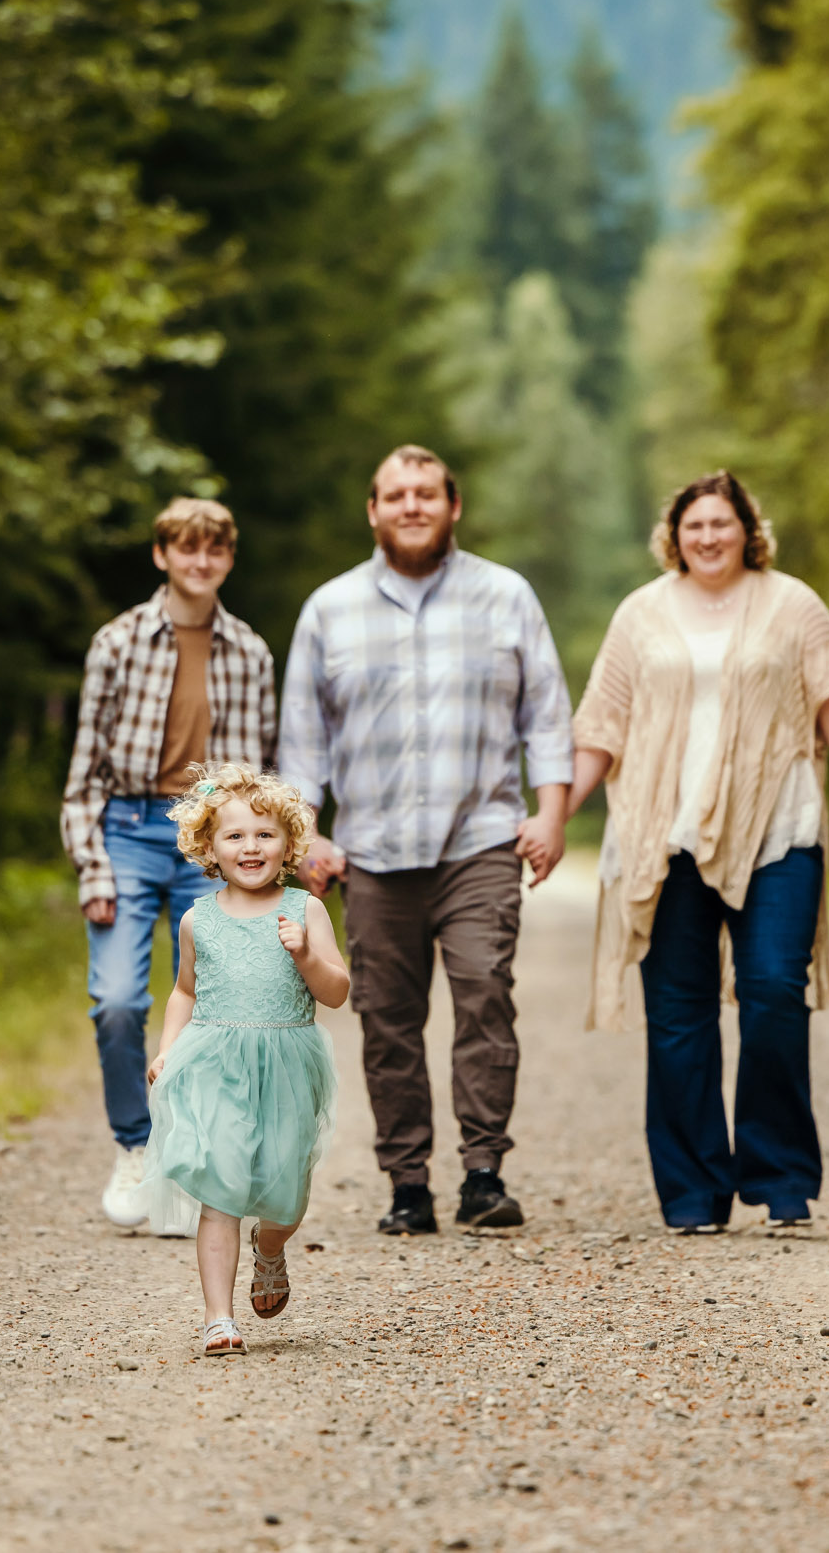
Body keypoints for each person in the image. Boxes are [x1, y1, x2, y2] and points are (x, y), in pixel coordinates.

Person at [566, 470, 829, 1233]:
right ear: (674, 536)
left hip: (779, 828)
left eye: (721, 523)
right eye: (693, 525)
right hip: (663, 834)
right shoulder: (640, 613)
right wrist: (553, 820)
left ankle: (779, 1179)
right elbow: (600, 730)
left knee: (774, 989)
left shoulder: (794, 604)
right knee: (679, 1012)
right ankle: (692, 1192)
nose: (707, 536)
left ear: (748, 530)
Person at [280, 444, 574, 1237]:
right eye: (396, 495)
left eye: (427, 494)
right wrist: (305, 836)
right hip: (372, 853)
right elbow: (302, 743)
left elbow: (546, 714)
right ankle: (407, 1183)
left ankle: (484, 1173)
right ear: (373, 511)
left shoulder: (505, 596)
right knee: (388, 1018)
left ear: (453, 507)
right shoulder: (329, 610)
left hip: (479, 841)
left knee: (484, 996)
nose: (412, 505)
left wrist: (550, 815)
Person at [59, 498, 277, 1230]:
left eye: (214, 549)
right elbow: (84, 768)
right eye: (186, 548)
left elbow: (261, 775)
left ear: (228, 558)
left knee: (223, 1003)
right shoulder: (117, 642)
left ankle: (197, 1161)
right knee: (118, 999)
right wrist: (93, 866)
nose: (200, 560)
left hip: (209, 838)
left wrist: (255, 860)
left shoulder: (249, 652)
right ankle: (136, 1146)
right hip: (125, 828)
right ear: (162, 555)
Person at [131, 763, 348, 1357]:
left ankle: (272, 1249)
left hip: (285, 1064)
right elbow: (184, 992)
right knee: (221, 1189)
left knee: (286, 1197)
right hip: (216, 1062)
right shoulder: (198, 919)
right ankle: (218, 1318)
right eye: (235, 836)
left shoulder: (305, 911)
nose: (250, 847)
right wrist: (168, 1048)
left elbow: (336, 992)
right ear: (209, 846)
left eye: (264, 834)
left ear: (288, 845)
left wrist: (306, 957)